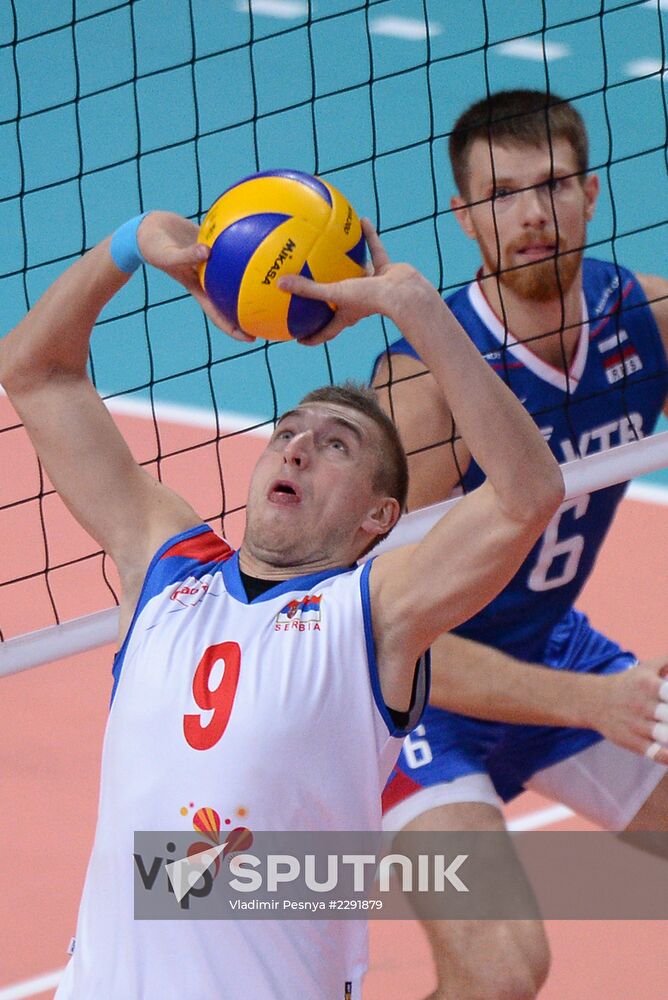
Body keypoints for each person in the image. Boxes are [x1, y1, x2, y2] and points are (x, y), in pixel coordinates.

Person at [0, 209, 561, 999]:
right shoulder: (167, 568)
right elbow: (35, 372)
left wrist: (414, 306)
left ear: (379, 518)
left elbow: (527, 494)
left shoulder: (371, 614)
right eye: (289, 431)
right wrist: (129, 245)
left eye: (336, 445)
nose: (297, 445)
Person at [372, 88, 668, 1000]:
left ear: (594, 192)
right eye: (502, 195)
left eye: (554, 185)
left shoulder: (647, 317)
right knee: (502, 970)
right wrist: (591, 701)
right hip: (412, 710)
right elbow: (383, 640)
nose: (534, 213)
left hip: (547, 648)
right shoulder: (424, 385)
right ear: (463, 218)